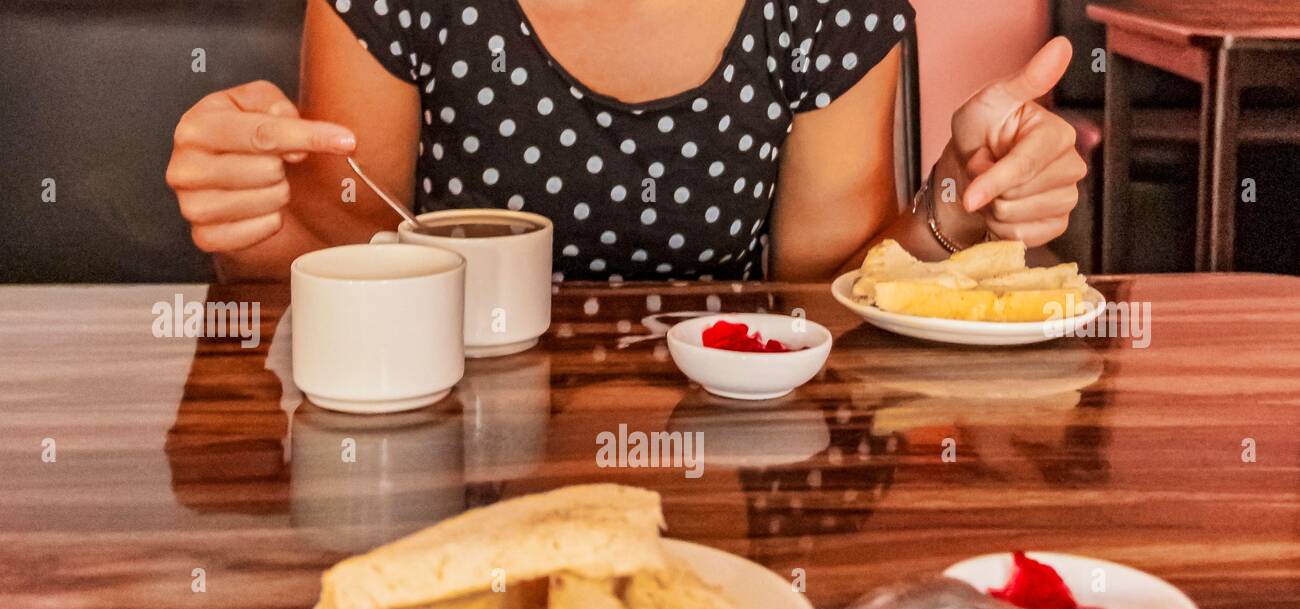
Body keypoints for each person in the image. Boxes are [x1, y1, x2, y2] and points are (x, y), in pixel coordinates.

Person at [166, 1, 1085, 283]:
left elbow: (832, 293)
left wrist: (964, 200)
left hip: (730, 462)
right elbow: (330, 265)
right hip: (438, 460)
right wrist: (253, 215)